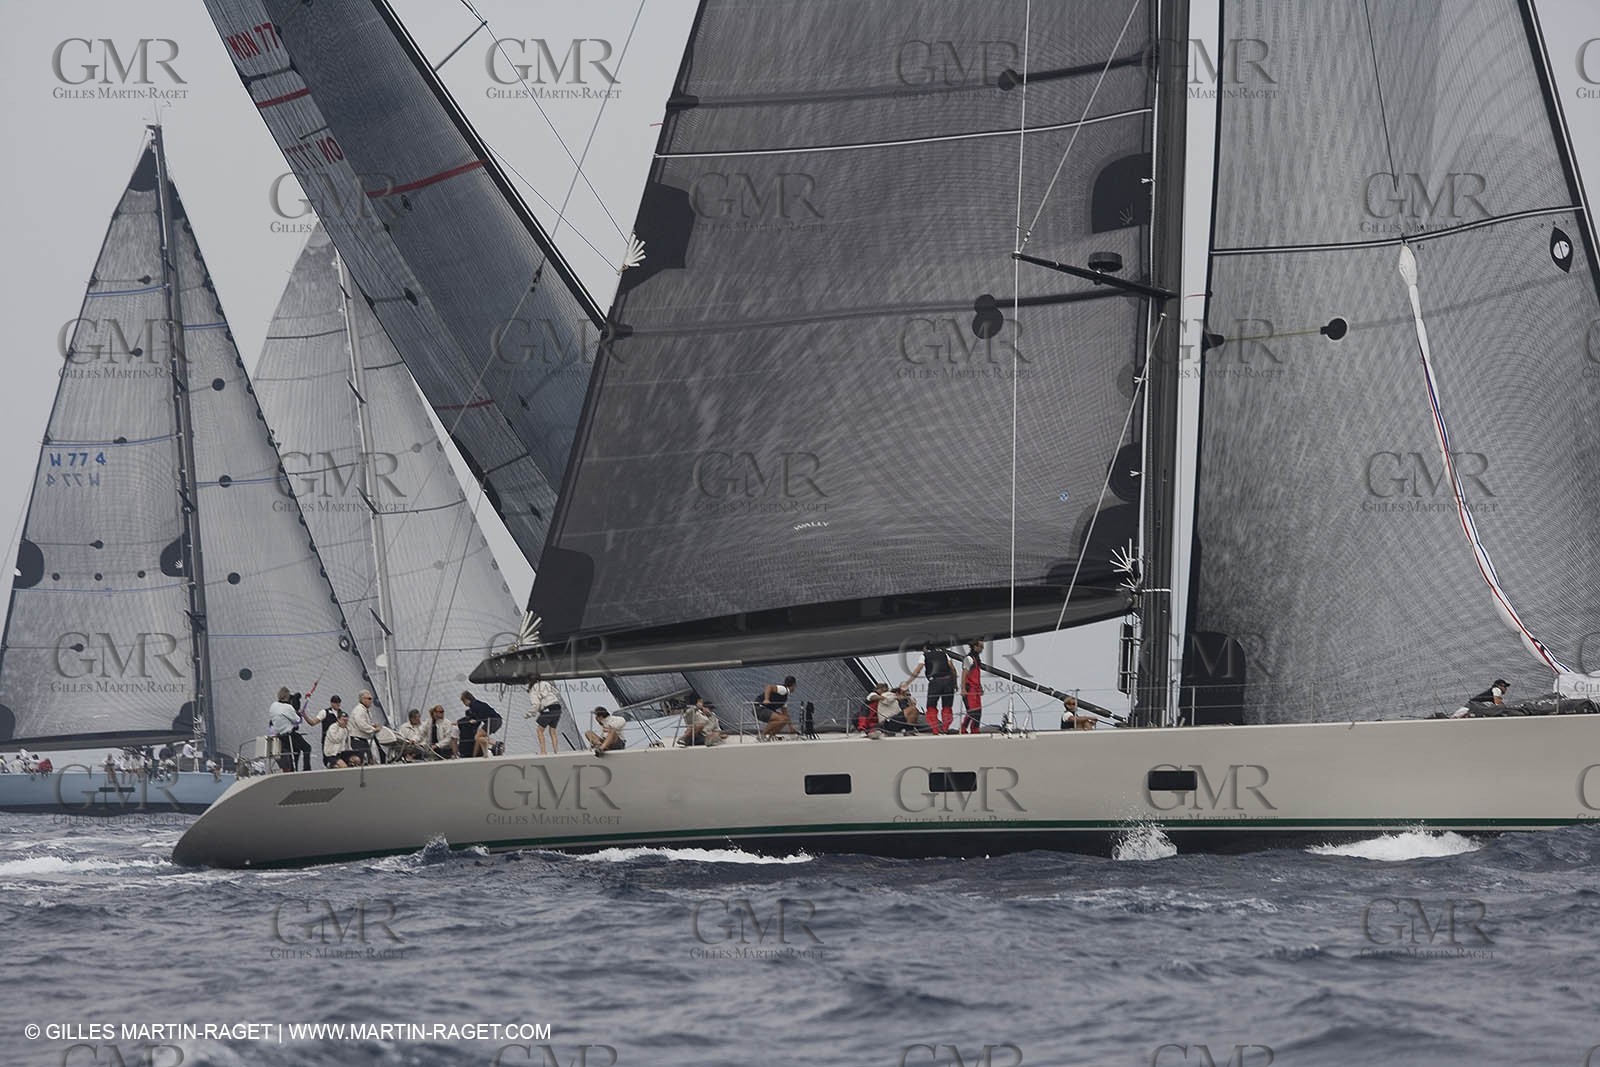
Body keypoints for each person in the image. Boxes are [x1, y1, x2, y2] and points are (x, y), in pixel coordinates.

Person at [458, 691, 503, 758]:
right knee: (481, 737)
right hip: (497, 720)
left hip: (493, 720)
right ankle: (485, 754)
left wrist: (475, 720)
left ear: (467, 699)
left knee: (477, 737)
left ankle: (496, 743)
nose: (464, 704)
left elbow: (479, 714)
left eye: (464, 702)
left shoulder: (473, 706)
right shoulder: (478, 703)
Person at [267, 687, 301, 771]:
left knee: (287, 756)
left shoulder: (273, 706)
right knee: (303, 748)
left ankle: (290, 770)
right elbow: (298, 720)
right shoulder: (288, 707)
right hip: (286, 736)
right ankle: (295, 769)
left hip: (275, 738)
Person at [528, 674, 563, 755]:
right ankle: (556, 751)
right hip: (557, 707)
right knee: (552, 731)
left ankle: (543, 751)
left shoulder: (533, 689)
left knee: (539, 730)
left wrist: (529, 713)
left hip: (548, 709)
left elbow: (535, 704)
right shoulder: (546, 683)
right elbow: (556, 692)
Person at [348, 690, 385, 764]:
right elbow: (362, 725)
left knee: (369, 760)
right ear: (362, 699)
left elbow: (365, 723)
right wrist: (374, 729)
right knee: (363, 761)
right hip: (358, 741)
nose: (371, 701)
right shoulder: (359, 710)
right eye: (369, 698)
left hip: (364, 740)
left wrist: (372, 725)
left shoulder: (365, 710)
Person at [756, 676, 797, 740]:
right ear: (794, 685)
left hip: (765, 710)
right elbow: (769, 687)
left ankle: (771, 736)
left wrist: (791, 727)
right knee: (780, 719)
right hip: (760, 708)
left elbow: (786, 714)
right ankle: (762, 735)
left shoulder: (784, 697)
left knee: (785, 719)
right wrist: (766, 699)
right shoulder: (783, 689)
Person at [960, 639, 985, 734]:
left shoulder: (977, 659)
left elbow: (976, 674)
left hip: (976, 688)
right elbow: (964, 673)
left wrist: (980, 686)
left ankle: (975, 729)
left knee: (978, 711)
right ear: (975, 646)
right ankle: (963, 728)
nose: (982, 649)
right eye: (981, 647)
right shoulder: (969, 659)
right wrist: (963, 688)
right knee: (972, 711)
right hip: (969, 688)